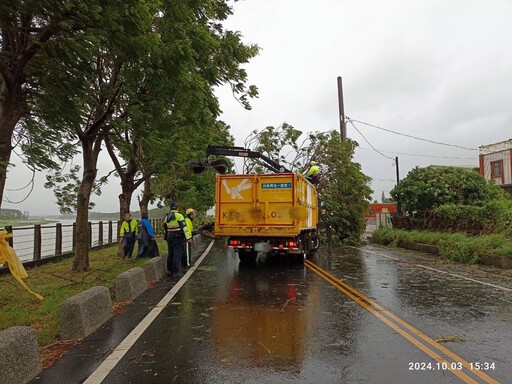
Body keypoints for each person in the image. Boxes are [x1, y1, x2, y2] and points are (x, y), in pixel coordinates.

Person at [164, 201, 192, 277]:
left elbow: (165, 228)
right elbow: (184, 228)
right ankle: (175, 272)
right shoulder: (179, 216)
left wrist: (166, 237)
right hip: (178, 237)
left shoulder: (167, 217)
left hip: (170, 237)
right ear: (177, 207)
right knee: (177, 254)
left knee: (170, 254)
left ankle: (169, 270)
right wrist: (188, 238)